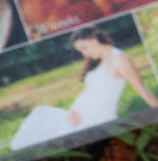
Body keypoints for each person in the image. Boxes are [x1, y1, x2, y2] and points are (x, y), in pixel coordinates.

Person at [10, 25, 158, 150]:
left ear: (94, 40)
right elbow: (89, 91)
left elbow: (141, 89)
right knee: (41, 114)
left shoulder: (119, 59)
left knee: (50, 134)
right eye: (80, 50)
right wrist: (74, 109)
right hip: (78, 116)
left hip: (96, 120)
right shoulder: (99, 61)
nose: (84, 53)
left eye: (84, 48)